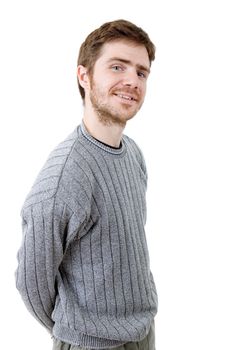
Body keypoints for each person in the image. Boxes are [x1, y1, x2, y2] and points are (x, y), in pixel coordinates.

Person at [15, 19, 158, 350]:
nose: (132, 81)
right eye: (117, 66)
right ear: (84, 76)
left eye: (141, 72)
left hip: (142, 333)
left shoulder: (133, 154)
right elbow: (30, 282)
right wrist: (77, 330)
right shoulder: (65, 176)